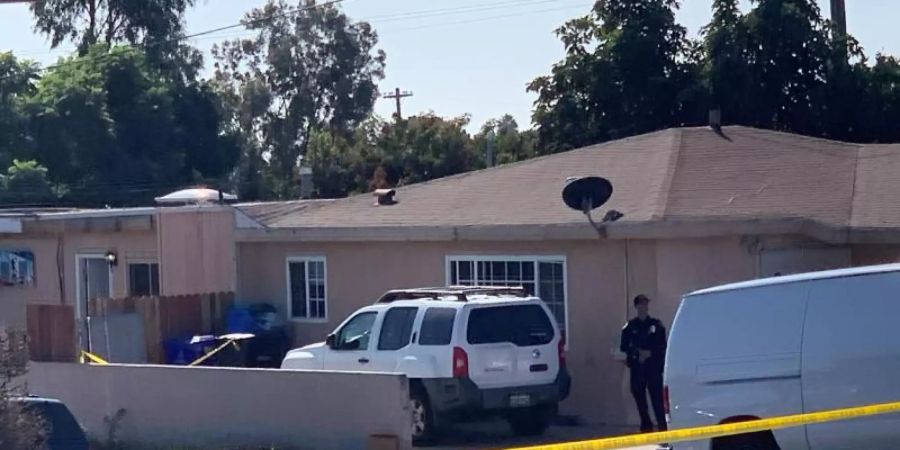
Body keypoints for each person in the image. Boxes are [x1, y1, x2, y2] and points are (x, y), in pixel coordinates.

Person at [620, 294, 667, 433]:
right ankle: (646, 427)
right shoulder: (630, 327)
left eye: (645, 305)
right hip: (638, 369)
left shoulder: (656, 325)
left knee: (657, 400)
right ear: (636, 307)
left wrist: (650, 353)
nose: (644, 308)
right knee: (641, 402)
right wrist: (637, 354)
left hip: (653, 369)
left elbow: (662, 345)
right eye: (641, 305)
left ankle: (663, 427)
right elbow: (624, 347)